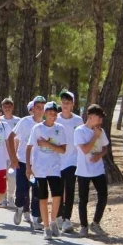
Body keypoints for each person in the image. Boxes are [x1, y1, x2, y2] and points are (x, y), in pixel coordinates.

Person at [27, 101, 67, 240]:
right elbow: (29, 147)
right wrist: (28, 166)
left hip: (54, 167)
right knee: (42, 197)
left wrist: (47, 144)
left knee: (57, 195)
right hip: (39, 168)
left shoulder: (60, 128)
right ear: (45, 113)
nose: (53, 115)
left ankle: (53, 220)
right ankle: (46, 227)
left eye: (55, 113)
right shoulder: (37, 128)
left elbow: (62, 149)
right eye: (50, 113)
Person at [74, 104, 110, 237]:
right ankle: (84, 226)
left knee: (103, 195)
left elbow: (105, 147)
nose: (101, 120)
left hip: (98, 169)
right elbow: (84, 150)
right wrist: (95, 136)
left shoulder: (101, 131)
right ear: (90, 116)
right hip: (83, 170)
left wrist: (100, 155)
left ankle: (96, 223)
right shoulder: (79, 131)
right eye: (99, 117)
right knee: (83, 199)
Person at [12, 96, 46, 227]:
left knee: (37, 190)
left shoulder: (46, 124)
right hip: (22, 161)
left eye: (43, 107)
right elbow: (12, 137)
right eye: (38, 107)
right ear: (33, 108)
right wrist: (13, 156)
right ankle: (19, 208)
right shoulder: (24, 121)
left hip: (39, 164)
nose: (40, 110)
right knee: (22, 189)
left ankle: (36, 217)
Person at [55, 90, 84, 233]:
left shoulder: (78, 120)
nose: (65, 105)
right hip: (56, 160)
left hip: (72, 160)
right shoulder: (55, 118)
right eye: (63, 102)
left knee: (70, 189)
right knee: (58, 190)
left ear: (73, 104)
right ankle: (58, 215)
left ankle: (67, 218)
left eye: (68, 103)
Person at [0, 98, 20, 207]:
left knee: (12, 176)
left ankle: (11, 196)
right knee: (2, 177)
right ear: (2, 108)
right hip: (1, 155)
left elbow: (18, 139)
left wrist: (15, 155)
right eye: (5, 107)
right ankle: (3, 198)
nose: (7, 109)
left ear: (12, 107)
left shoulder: (18, 121)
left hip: (14, 155)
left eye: (9, 106)